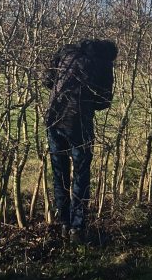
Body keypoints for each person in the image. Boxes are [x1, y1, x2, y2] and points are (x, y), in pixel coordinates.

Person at [43, 38, 118, 241]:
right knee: (81, 174)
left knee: (60, 173)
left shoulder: (67, 51)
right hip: (79, 124)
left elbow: (47, 81)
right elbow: (104, 100)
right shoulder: (103, 64)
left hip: (53, 118)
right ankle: (77, 227)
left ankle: (64, 224)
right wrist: (86, 103)